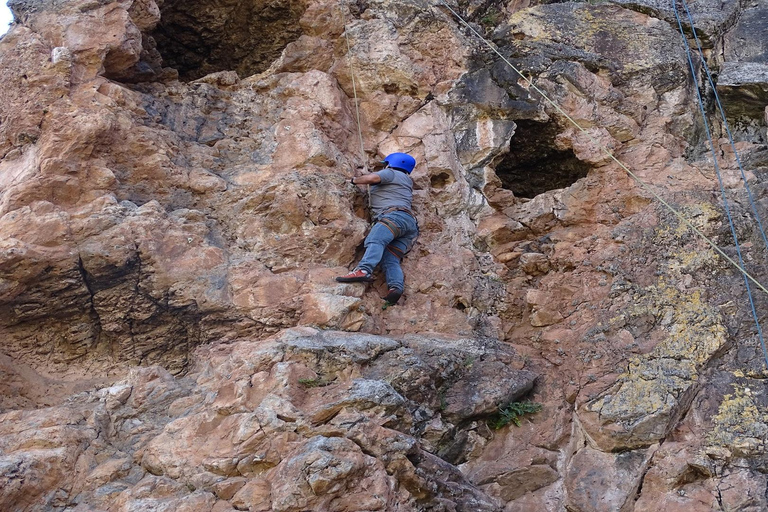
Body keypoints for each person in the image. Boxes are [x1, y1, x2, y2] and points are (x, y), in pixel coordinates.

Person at [336, 152, 419, 306]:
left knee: (375, 239)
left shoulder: (391, 173)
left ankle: (364, 270)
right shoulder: (406, 180)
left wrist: (354, 180)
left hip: (393, 217)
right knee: (390, 258)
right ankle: (396, 287)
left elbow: (374, 178)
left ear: (391, 164)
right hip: (409, 225)